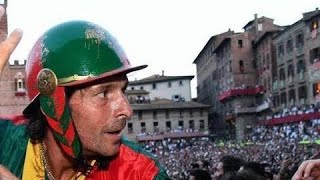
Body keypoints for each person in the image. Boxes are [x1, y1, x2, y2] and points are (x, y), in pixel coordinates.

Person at [0, 7, 169, 180]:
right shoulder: (5, 141)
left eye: (123, 90)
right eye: (103, 93)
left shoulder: (141, 172)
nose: (127, 110)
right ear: (52, 106)